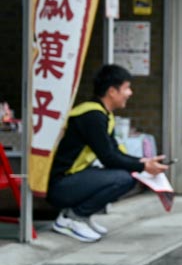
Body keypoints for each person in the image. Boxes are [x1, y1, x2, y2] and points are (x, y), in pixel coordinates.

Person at [47, 65, 169, 242]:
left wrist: (143, 162)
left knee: (129, 173)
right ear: (112, 91)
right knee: (124, 178)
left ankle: (79, 217)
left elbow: (113, 151)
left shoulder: (102, 114)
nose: (130, 93)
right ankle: (72, 218)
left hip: (71, 180)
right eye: (127, 88)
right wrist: (143, 166)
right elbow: (108, 158)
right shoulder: (92, 116)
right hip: (60, 185)